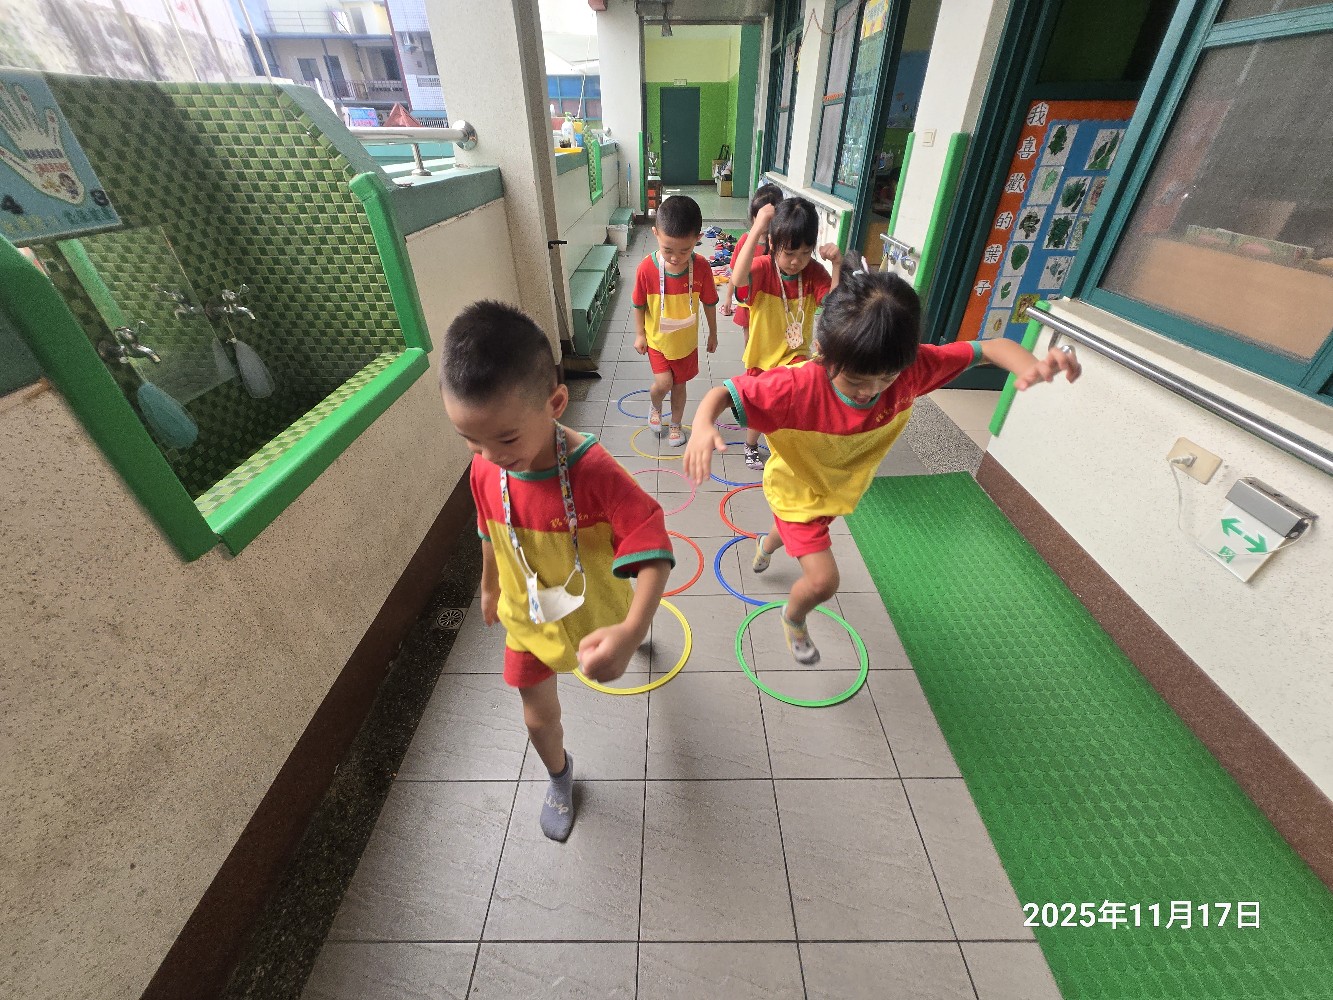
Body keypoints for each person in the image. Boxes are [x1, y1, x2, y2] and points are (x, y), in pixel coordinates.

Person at [684, 271, 1081, 665]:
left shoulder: (910, 371)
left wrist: (1030, 364)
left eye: (885, 378)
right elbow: (724, 393)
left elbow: (989, 347)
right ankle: (794, 616)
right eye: (856, 379)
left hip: (838, 491)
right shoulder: (795, 388)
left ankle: (765, 546)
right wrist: (702, 424)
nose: (870, 390)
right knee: (823, 581)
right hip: (797, 490)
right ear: (822, 352)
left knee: (793, 531)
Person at [441, 301, 674, 841]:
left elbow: (654, 549)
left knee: (625, 622)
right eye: (471, 441)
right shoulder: (485, 467)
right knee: (536, 717)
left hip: (596, 607)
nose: (489, 455)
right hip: (529, 616)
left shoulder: (595, 473)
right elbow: (488, 528)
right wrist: (489, 585)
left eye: (505, 439)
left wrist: (631, 629)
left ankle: (634, 631)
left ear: (556, 403)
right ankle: (559, 774)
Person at [729, 197, 842, 470]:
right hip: (761, 358)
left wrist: (837, 264)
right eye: (789, 252)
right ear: (772, 244)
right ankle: (750, 444)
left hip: (795, 357)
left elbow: (836, 304)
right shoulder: (762, 268)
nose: (795, 261)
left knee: (793, 406)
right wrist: (757, 228)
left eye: (805, 253)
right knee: (759, 410)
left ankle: (787, 452)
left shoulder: (813, 272)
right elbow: (738, 279)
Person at [632, 194, 719, 447]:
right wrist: (640, 334)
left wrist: (713, 333)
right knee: (664, 383)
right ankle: (655, 405)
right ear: (655, 233)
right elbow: (638, 304)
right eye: (667, 249)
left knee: (679, 386)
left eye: (685, 250)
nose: (675, 257)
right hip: (658, 341)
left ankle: (676, 424)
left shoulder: (701, 267)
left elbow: (709, 303)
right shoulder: (646, 269)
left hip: (686, 344)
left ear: (697, 239)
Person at [719, 184, 786, 344]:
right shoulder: (745, 241)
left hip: (771, 301)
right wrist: (728, 298)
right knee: (749, 340)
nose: (763, 224)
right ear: (753, 216)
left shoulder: (781, 244)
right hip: (747, 301)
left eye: (769, 219)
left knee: (770, 339)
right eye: (759, 218)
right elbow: (734, 272)